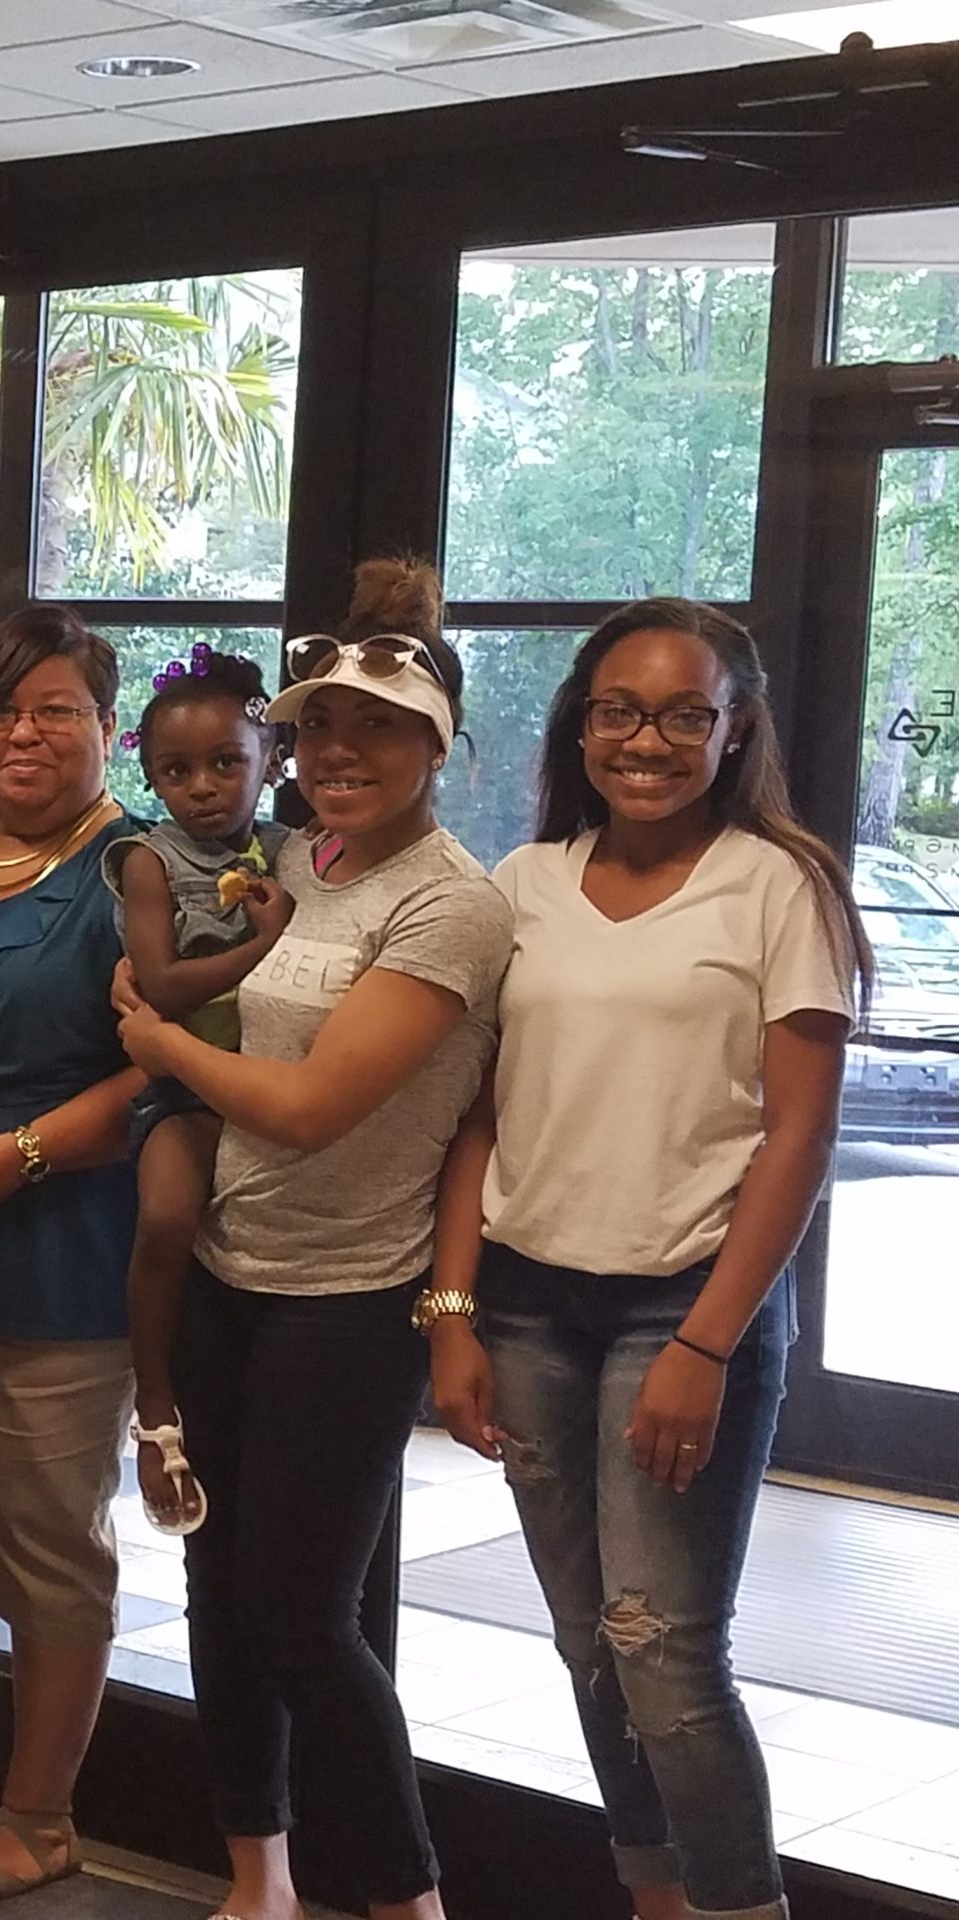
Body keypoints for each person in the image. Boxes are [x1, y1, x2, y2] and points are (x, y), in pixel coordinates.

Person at [428, 601, 868, 1920]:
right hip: (522, 1302)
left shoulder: (779, 885)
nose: (648, 739)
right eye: (620, 709)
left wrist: (705, 1344)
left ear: (736, 731)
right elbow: (480, 1116)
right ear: (582, 722)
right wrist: (451, 1311)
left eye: (687, 713)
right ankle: (653, 1896)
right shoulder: (523, 884)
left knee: (664, 1650)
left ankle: (741, 1909)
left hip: (684, 1302)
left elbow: (800, 1135)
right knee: (586, 1641)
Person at [110, 559, 512, 1920]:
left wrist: (158, 1040)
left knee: (300, 1617)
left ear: (435, 746)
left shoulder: (453, 903)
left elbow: (309, 1105)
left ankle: (405, 1898)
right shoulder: (294, 857)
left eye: (378, 731)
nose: (341, 755)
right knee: (218, 1592)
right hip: (227, 1276)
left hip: (347, 1304)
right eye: (321, 730)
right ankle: (256, 1884)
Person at [0, 605, 144, 1901]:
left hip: (56, 1249)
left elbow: (155, 1080)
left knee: (47, 1547)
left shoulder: (135, 875)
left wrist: (26, 1156)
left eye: (56, 706)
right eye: (0, 708)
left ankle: (45, 1813)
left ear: (105, 725)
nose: (23, 732)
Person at [101, 648, 292, 1536]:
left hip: (277, 1090)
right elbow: (161, 983)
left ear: (269, 760)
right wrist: (267, 946)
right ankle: (157, 1401)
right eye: (176, 771)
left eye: (227, 763)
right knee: (170, 1216)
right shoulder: (149, 858)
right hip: (182, 1088)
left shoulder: (297, 849)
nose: (204, 788)